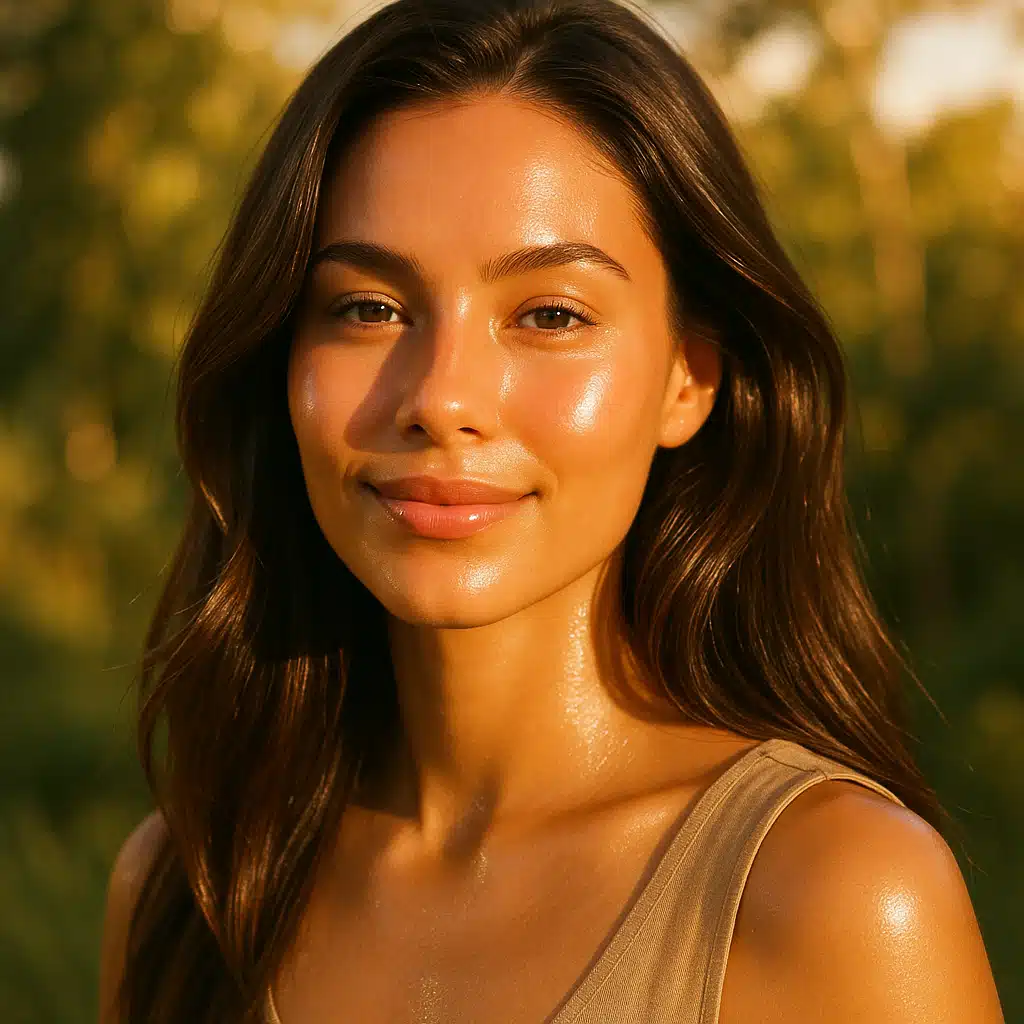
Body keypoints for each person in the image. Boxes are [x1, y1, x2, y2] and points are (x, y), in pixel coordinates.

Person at [97, 0, 1005, 1021]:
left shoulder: (835, 896)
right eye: (368, 307)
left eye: (550, 315)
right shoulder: (191, 888)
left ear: (686, 380)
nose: (441, 397)